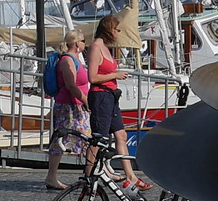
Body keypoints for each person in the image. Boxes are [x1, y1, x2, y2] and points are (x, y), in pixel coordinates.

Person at [86, 14, 147, 190]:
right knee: (99, 140)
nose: (117, 32)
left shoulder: (106, 48)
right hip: (100, 96)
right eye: (115, 29)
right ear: (108, 30)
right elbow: (92, 77)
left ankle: (131, 176)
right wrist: (115, 75)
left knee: (121, 135)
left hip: (111, 96)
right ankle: (88, 176)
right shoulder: (96, 48)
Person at [45, 31, 89, 191]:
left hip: (74, 105)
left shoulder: (75, 59)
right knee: (65, 139)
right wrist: (85, 100)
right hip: (69, 106)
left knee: (84, 140)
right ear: (77, 43)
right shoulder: (67, 60)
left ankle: (96, 172)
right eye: (83, 41)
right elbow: (71, 85)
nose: (85, 44)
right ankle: (51, 177)